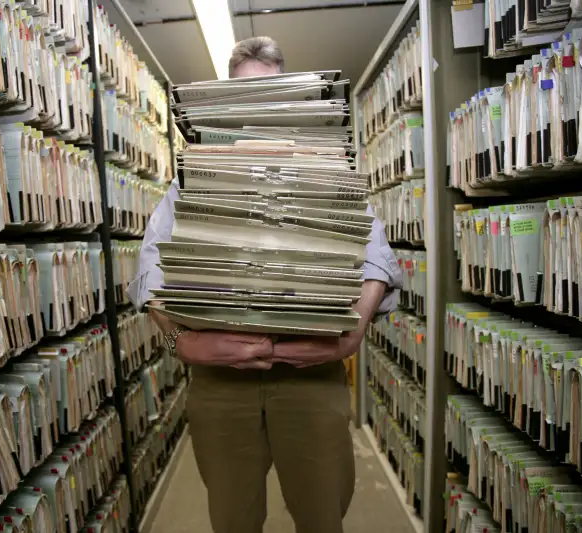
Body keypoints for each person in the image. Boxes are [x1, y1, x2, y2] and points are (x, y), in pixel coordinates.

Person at [127, 36, 402, 533]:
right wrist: (180, 341)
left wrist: (353, 333)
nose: (253, 110)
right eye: (241, 96)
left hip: (310, 376)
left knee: (322, 513)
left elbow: (375, 259)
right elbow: (150, 273)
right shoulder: (190, 179)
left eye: (267, 93)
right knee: (233, 518)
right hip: (221, 384)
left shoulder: (325, 168)